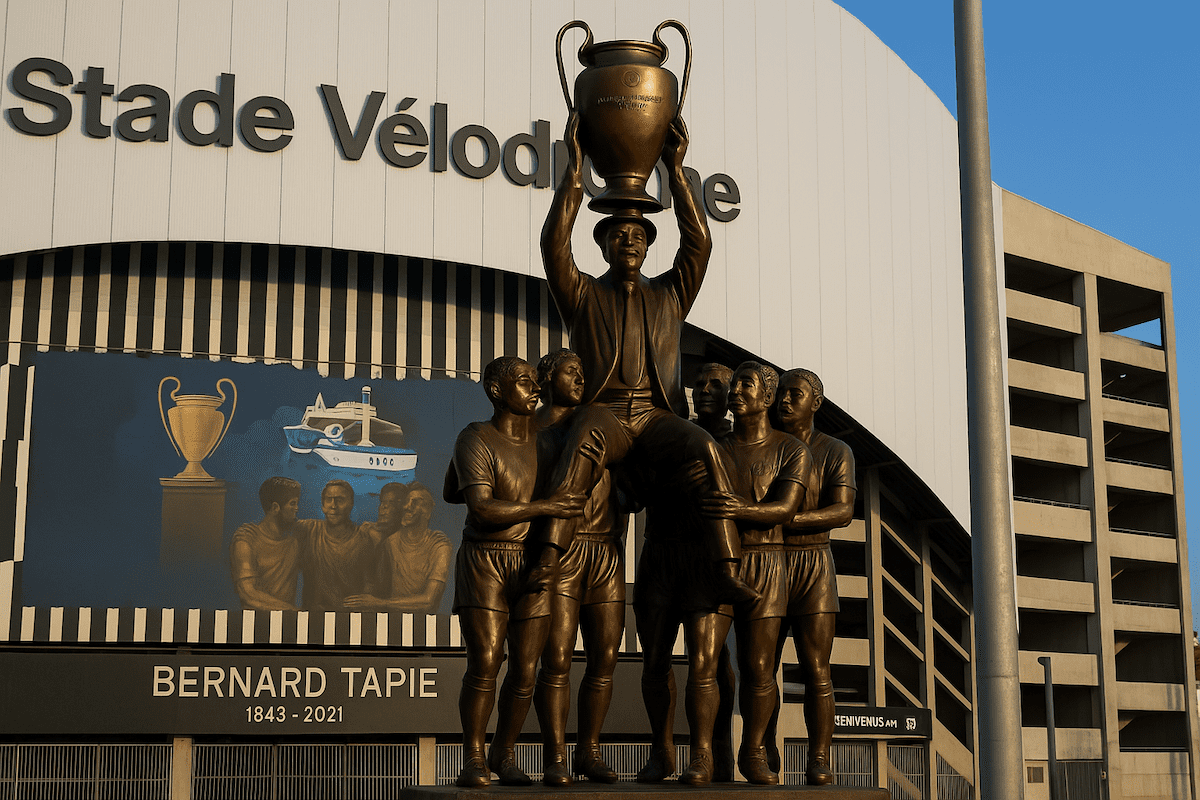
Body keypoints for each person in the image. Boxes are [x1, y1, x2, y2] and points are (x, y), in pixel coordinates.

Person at [533, 111, 755, 605]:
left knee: (706, 449)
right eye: (617, 235)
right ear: (604, 245)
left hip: (655, 416)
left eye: (638, 235)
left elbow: (700, 245)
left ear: (650, 245)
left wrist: (677, 173)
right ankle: (547, 557)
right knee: (584, 435)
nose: (629, 240)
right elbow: (553, 246)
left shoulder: (671, 296)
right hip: (607, 412)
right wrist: (574, 168)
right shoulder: (584, 295)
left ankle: (724, 566)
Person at [447, 356, 585, 788]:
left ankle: (503, 752)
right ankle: (473, 756)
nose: (534, 388)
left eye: (533, 381)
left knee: (527, 669)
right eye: (523, 382)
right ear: (496, 391)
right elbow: (481, 508)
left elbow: (449, 489)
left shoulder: (548, 445)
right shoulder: (476, 438)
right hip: (486, 559)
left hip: (532, 560)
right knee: (487, 660)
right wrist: (545, 506)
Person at [633, 362, 743, 785]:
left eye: (716, 383)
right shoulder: (669, 434)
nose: (704, 389)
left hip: (706, 561)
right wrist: (675, 485)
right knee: (655, 660)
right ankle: (662, 752)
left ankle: (704, 754)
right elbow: (635, 492)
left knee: (707, 662)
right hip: (659, 555)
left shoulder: (739, 443)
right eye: (698, 383)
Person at [703, 362, 809, 785]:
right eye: (734, 384)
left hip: (768, 560)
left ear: (767, 397)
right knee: (705, 660)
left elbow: (784, 509)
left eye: (744, 384)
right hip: (717, 561)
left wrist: (739, 510)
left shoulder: (791, 450)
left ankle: (753, 750)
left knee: (759, 666)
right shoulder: (714, 446)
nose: (734, 391)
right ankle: (706, 755)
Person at [531, 349, 625, 785]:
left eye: (583, 373)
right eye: (571, 371)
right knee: (559, 657)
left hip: (604, 549)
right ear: (547, 376)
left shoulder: (601, 424)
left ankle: (589, 751)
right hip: (563, 551)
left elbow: (627, 488)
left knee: (605, 657)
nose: (580, 379)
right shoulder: (531, 428)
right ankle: (555, 755)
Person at [768, 368, 856, 786]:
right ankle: (763, 741)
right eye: (781, 393)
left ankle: (819, 755)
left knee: (816, 666)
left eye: (795, 394)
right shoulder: (768, 445)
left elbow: (842, 511)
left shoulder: (835, 450)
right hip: (769, 562)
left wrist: (788, 519)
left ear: (815, 403)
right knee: (760, 666)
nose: (785, 400)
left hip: (814, 563)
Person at [344, 482, 452, 615]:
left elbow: (429, 601)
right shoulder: (389, 543)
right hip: (391, 621)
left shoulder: (439, 545)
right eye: (407, 502)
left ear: (428, 511)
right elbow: (374, 587)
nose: (407, 507)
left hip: (423, 624)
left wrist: (379, 603)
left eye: (416, 502)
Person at [296, 480, 373, 610]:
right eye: (329, 500)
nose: (333, 505)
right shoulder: (309, 529)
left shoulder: (362, 539)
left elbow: (369, 585)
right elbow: (280, 525)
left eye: (340, 500)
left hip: (348, 617)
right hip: (313, 616)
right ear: (323, 505)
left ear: (351, 504)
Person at [230, 477, 302, 610]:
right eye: (292, 504)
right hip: (254, 624)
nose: (297, 509)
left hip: (287, 624)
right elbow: (247, 593)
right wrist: (293, 611)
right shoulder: (246, 538)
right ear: (275, 507)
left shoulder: (295, 539)